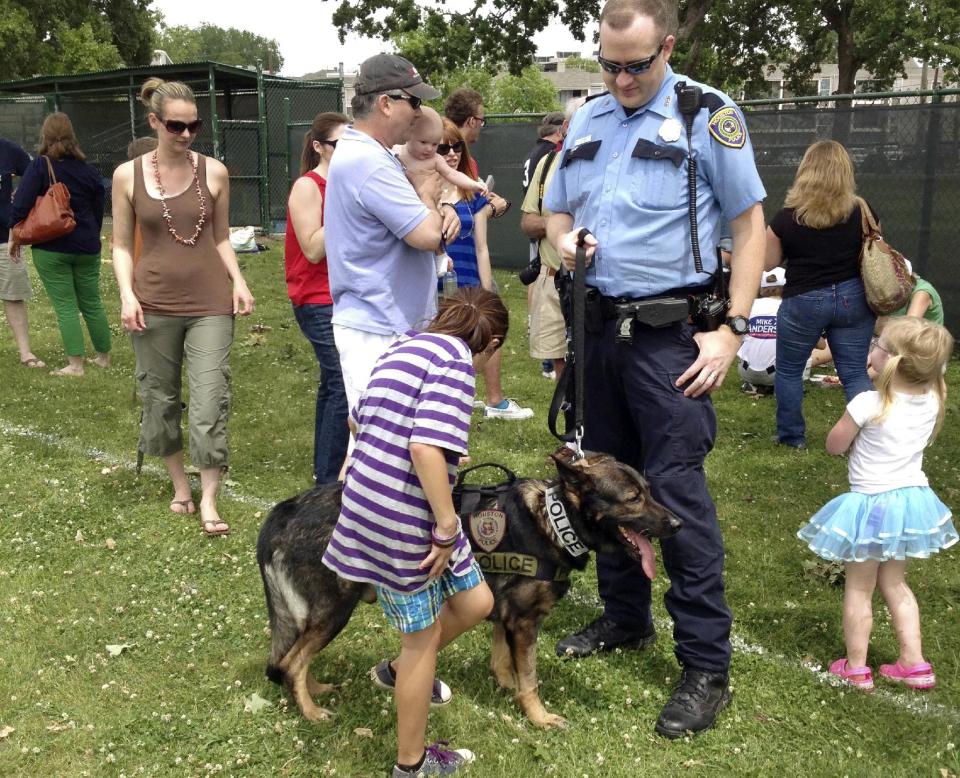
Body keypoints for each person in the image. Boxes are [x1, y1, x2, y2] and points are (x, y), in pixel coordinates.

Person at [543, 0, 767, 738]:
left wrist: (732, 332)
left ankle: (706, 665)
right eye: (609, 64)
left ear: (666, 46)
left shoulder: (708, 113)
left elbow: (749, 225)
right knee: (602, 484)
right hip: (597, 334)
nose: (621, 78)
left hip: (671, 342)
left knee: (675, 497)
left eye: (636, 65)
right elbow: (555, 214)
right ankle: (624, 618)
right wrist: (567, 239)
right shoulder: (588, 118)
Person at [322, 287, 504, 777]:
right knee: (421, 640)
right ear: (491, 342)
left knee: (476, 602)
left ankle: (398, 673)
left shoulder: (404, 345)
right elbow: (424, 447)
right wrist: (447, 525)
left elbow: (357, 421)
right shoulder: (457, 363)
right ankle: (412, 766)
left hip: (370, 497)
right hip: (403, 517)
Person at [111, 77, 255, 535]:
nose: (187, 134)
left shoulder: (214, 172)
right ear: (155, 122)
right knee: (160, 398)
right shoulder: (127, 175)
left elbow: (219, 237)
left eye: (194, 126)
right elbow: (119, 246)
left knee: (211, 396)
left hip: (210, 301)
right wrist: (126, 295)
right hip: (152, 301)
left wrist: (239, 281)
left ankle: (209, 495)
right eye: (176, 126)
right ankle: (180, 485)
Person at [797, 316, 957, 692]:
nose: (872, 349)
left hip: (872, 507)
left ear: (893, 361)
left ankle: (855, 667)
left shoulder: (868, 403)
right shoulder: (933, 399)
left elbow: (834, 445)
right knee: (896, 583)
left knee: (859, 588)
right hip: (908, 504)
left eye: (877, 345)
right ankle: (914, 663)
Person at [325, 54, 460, 421]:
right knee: (380, 452)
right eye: (414, 101)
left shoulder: (371, 155)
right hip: (378, 328)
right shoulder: (368, 161)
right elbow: (427, 235)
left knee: (378, 450)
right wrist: (432, 196)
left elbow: (418, 219)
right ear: (386, 103)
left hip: (385, 322)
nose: (419, 112)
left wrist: (439, 207)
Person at [765, 140, 876, 449]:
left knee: (788, 370)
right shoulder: (863, 210)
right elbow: (875, 254)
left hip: (804, 299)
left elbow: (767, 262)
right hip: (854, 298)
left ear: (805, 171)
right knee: (854, 372)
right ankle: (868, 438)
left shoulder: (787, 217)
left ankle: (791, 437)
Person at [439, 119, 533, 420]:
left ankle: (490, 399)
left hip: (468, 279)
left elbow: (481, 247)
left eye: (457, 147)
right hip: (434, 282)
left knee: (486, 334)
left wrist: (486, 287)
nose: (452, 154)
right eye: (444, 148)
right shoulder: (420, 190)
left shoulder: (471, 193)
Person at [9, 114, 110, 376]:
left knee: (66, 305)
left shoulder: (41, 166)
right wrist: (91, 232)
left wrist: (15, 234)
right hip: (87, 246)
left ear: (44, 136)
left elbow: (20, 204)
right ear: (72, 137)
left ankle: (75, 365)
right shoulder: (87, 169)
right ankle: (103, 357)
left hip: (52, 247)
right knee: (92, 302)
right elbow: (99, 205)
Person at [284, 111, 350, 485]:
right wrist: (341, 205)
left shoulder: (346, 184)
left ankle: (325, 465)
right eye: (340, 145)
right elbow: (312, 249)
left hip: (344, 294)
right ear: (319, 147)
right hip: (314, 297)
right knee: (341, 380)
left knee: (332, 382)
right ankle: (328, 479)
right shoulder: (308, 187)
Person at [520, 103, 585, 383]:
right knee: (560, 367)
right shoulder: (548, 164)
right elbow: (527, 222)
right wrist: (558, 226)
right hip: (551, 278)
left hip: (595, 286)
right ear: (565, 129)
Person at [395, 106, 487, 276]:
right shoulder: (397, 156)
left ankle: (442, 256)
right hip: (410, 209)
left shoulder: (434, 160)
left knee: (436, 229)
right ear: (408, 137)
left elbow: (453, 174)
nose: (429, 149)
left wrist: (473, 184)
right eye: (424, 143)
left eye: (434, 144)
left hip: (431, 207)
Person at [0, 136, 44, 369]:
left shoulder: (7, 149)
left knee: (13, 295)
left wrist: (20, 199)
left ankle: (25, 352)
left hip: (4, 239)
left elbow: (34, 174)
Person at [443, 88, 509, 218]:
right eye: (482, 121)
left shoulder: (467, 161)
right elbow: (454, 217)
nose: (452, 154)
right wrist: (492, 209)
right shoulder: (443, 162)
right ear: (472, 121)